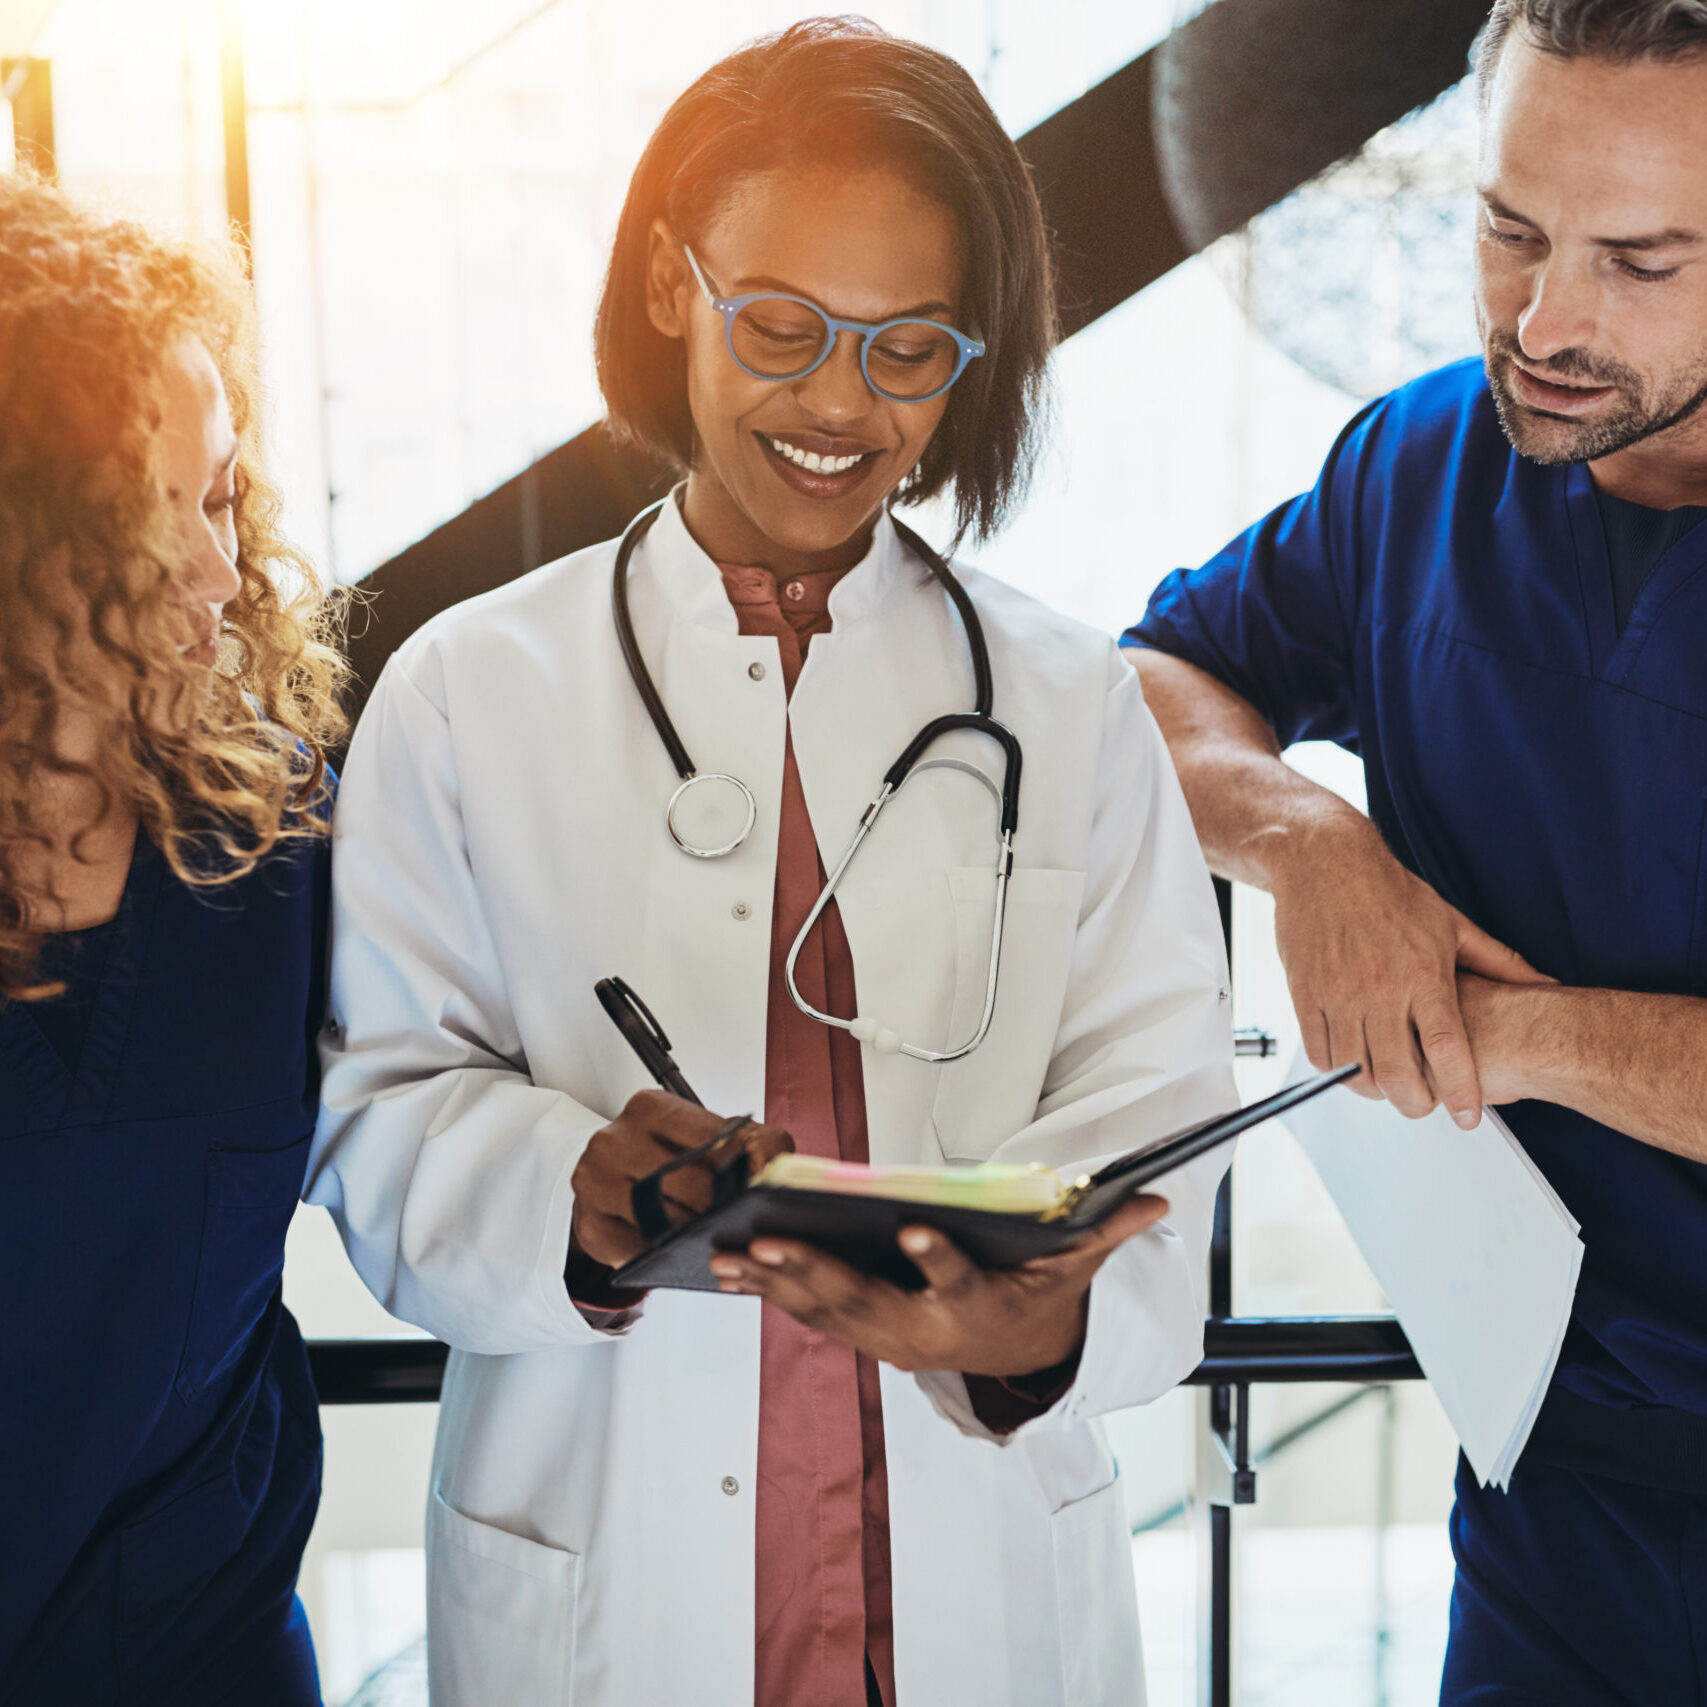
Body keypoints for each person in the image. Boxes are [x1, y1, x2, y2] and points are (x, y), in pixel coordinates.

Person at [310, 18, 1235, 1707]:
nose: (836, 404)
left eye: (908, 352)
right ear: (675, 288)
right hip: (609, 1585)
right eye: (786, 326)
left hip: (972, 1580)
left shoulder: (1065, 697)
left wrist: (1047, 1327)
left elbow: (1156, 1118)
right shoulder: (468, 688)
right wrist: (570, 1199)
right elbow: (375, 1117)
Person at [1125, 0, 1707, 1698]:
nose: (1543, 317)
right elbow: (1157, 682)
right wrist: (1314, 849)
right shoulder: (1420, 466)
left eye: (1640, 261)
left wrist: (1493, 1033)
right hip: (1546, 1492)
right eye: (1508, 227)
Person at [0, 173, 345, 1705]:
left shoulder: (271, 840)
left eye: (223, 499)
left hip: (209, 1658)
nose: (219, 578)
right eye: (151, 529)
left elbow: (429, 1096)